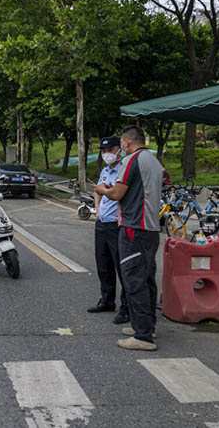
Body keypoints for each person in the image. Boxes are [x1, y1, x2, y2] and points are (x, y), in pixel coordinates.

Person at [92, 125, 162, 351]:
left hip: (134, 226)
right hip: (150, 227)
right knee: (147, 278)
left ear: (127, 142)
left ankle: (143, 336)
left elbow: (117, 193)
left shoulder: (132, 160)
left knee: (133, 279)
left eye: (121, 143)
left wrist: (102, 190)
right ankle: (147, 325)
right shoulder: (153, 161)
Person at [87, 135, 130, 326]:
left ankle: (126, 307)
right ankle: (106, 300)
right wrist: (97, 209)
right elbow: (98, 190)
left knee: (122, 267)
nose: (107, 154)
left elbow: (120, 193)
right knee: (103, 266)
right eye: (104, 151)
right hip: (102, 224)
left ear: (119, 150)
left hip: (116, 225)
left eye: (110, 150)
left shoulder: (124, 170)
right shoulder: (105, 170)